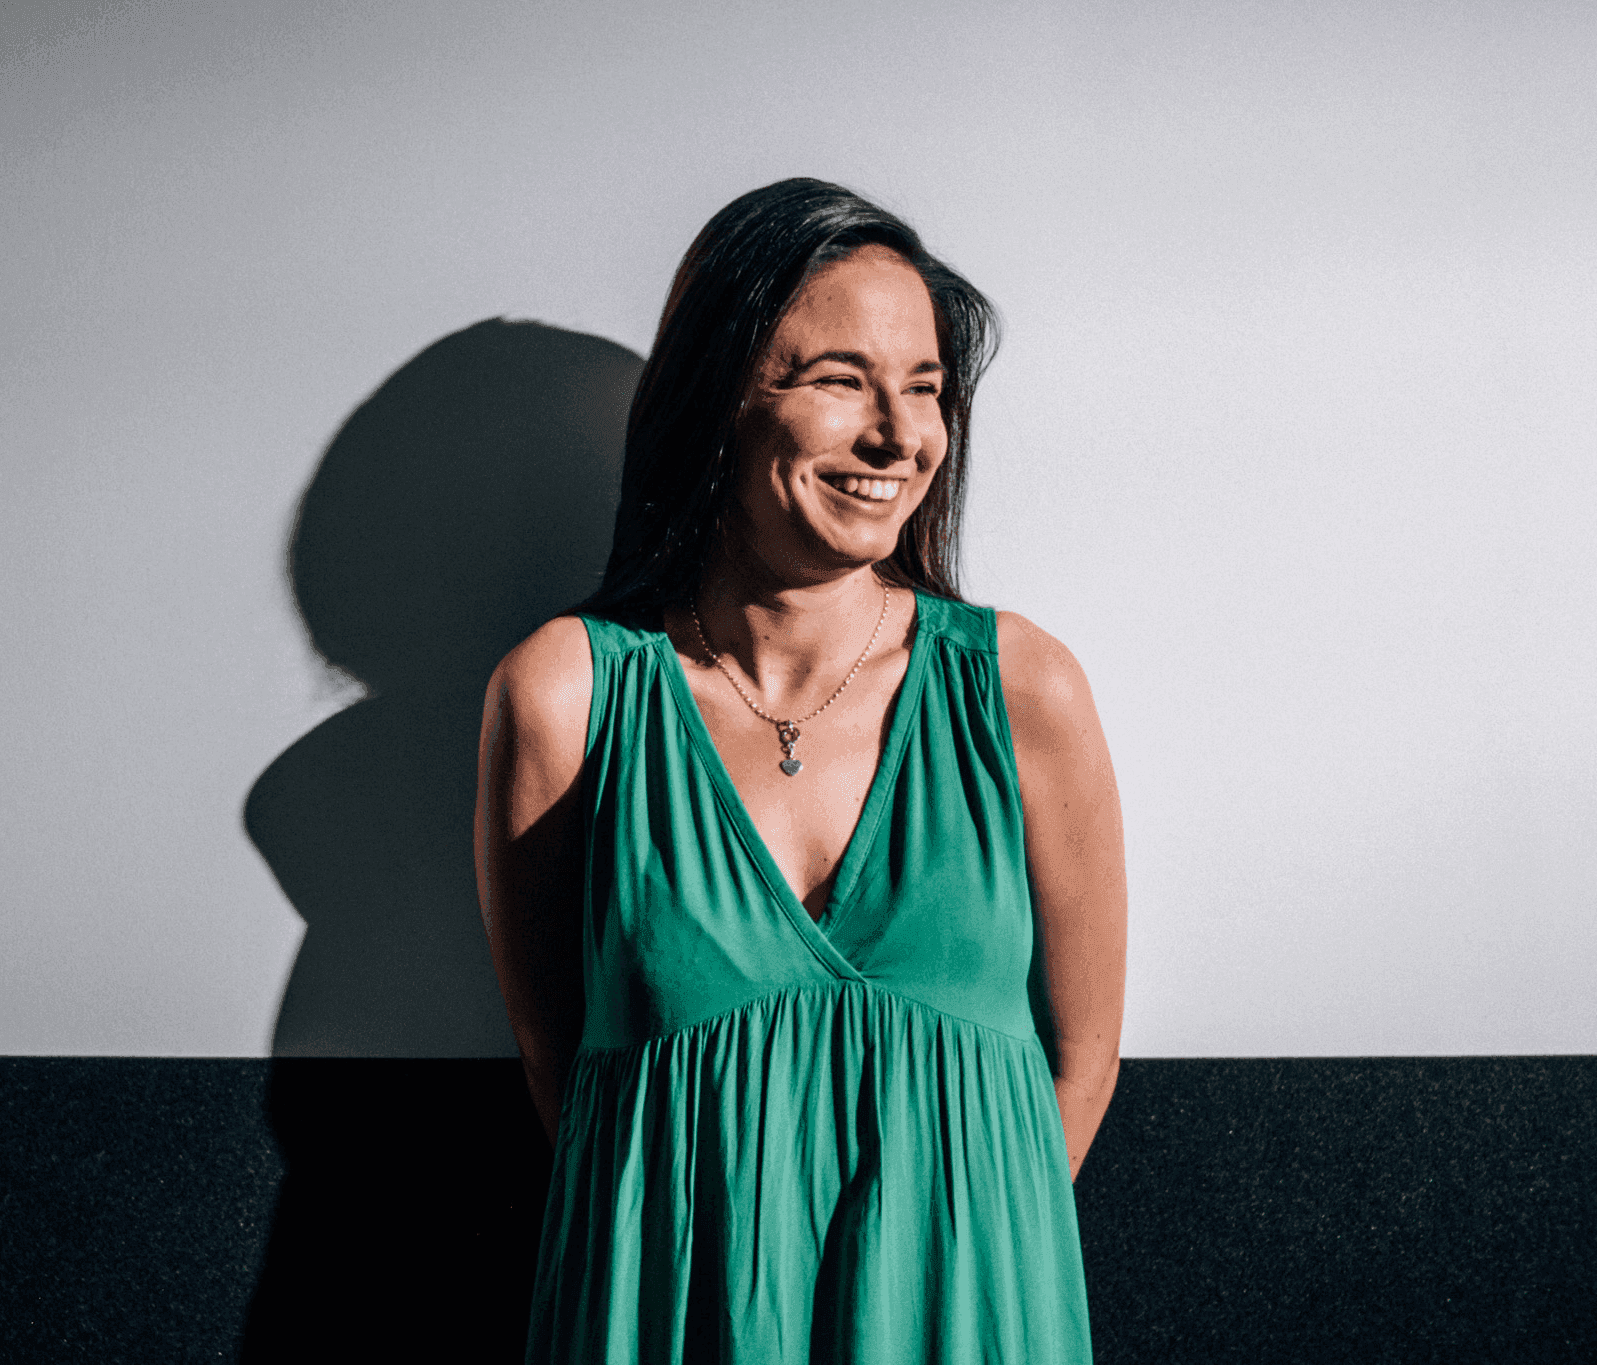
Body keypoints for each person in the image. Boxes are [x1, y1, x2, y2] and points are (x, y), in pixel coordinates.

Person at [475, 178, 1126, 1364]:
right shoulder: (566, 697)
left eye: (924, 387)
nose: (899, 436)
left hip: (969, 1320)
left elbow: (1082, 1061)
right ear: (716, 396)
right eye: (839, 380)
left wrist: (955, 1263)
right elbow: (563, 1069)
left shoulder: (1020, 690)